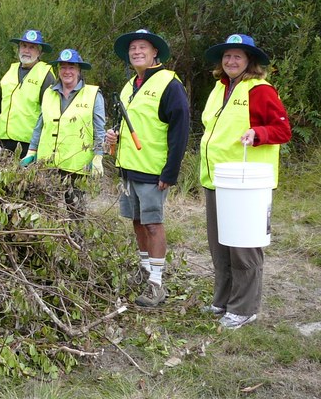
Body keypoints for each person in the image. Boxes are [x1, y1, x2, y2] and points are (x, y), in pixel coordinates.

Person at [199, 34, 291, 329]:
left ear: (250, 61)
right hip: (217, 179)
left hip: (246, 184)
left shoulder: (260, 90)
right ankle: (222, 300)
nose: (231, 61)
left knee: (243, 246)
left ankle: (244, 307)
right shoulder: (219, 89)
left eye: (238, 56)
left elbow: (282, 130)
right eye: (227, 56)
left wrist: (258, 134)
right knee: (220, 244)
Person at [104, 29, 189, 307]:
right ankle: (145, 271)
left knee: (153, 224)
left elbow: (180, 131)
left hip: (154, 170)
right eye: (132, 48)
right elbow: (132, 123)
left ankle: (157, 283)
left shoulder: (169, 84)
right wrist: (114, 136)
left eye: (143, 47)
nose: (136, 52)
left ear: (155, 53)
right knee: (137, 222)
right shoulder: (131, 85)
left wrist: (170, 172)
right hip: (129, 168)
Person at [21, 49, 106, 189]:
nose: (67, 71)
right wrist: (32, 150)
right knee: (45, 207)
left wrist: (98, 155)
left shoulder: (93, 95)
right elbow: (40, 126)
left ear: (79, 70)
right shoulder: (49, 92)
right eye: (63, 67)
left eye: (71, 67)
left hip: (77, 167)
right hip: (47, 164)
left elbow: (99, 130)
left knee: (75, 208)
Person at [0, 30, 57, 156]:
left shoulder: (46, 75)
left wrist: (41, 146)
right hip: (4, 141)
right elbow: (0, 105)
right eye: (24, 46)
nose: (26, 51)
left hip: (29, 145)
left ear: (40, 52)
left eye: (32, 47)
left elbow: (48, 113)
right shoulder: (11, 70)